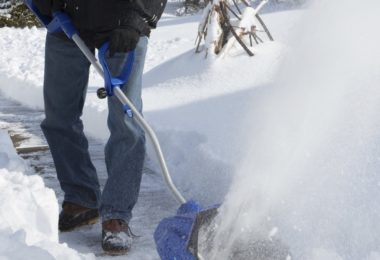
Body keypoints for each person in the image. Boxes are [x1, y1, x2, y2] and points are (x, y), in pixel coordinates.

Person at [32, 0, 166, 254]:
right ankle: (81, 198)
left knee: (126, 122)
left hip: (124, 21)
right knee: (59, 117)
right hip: (66, 18)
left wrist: (137, 18)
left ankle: (117, 214)